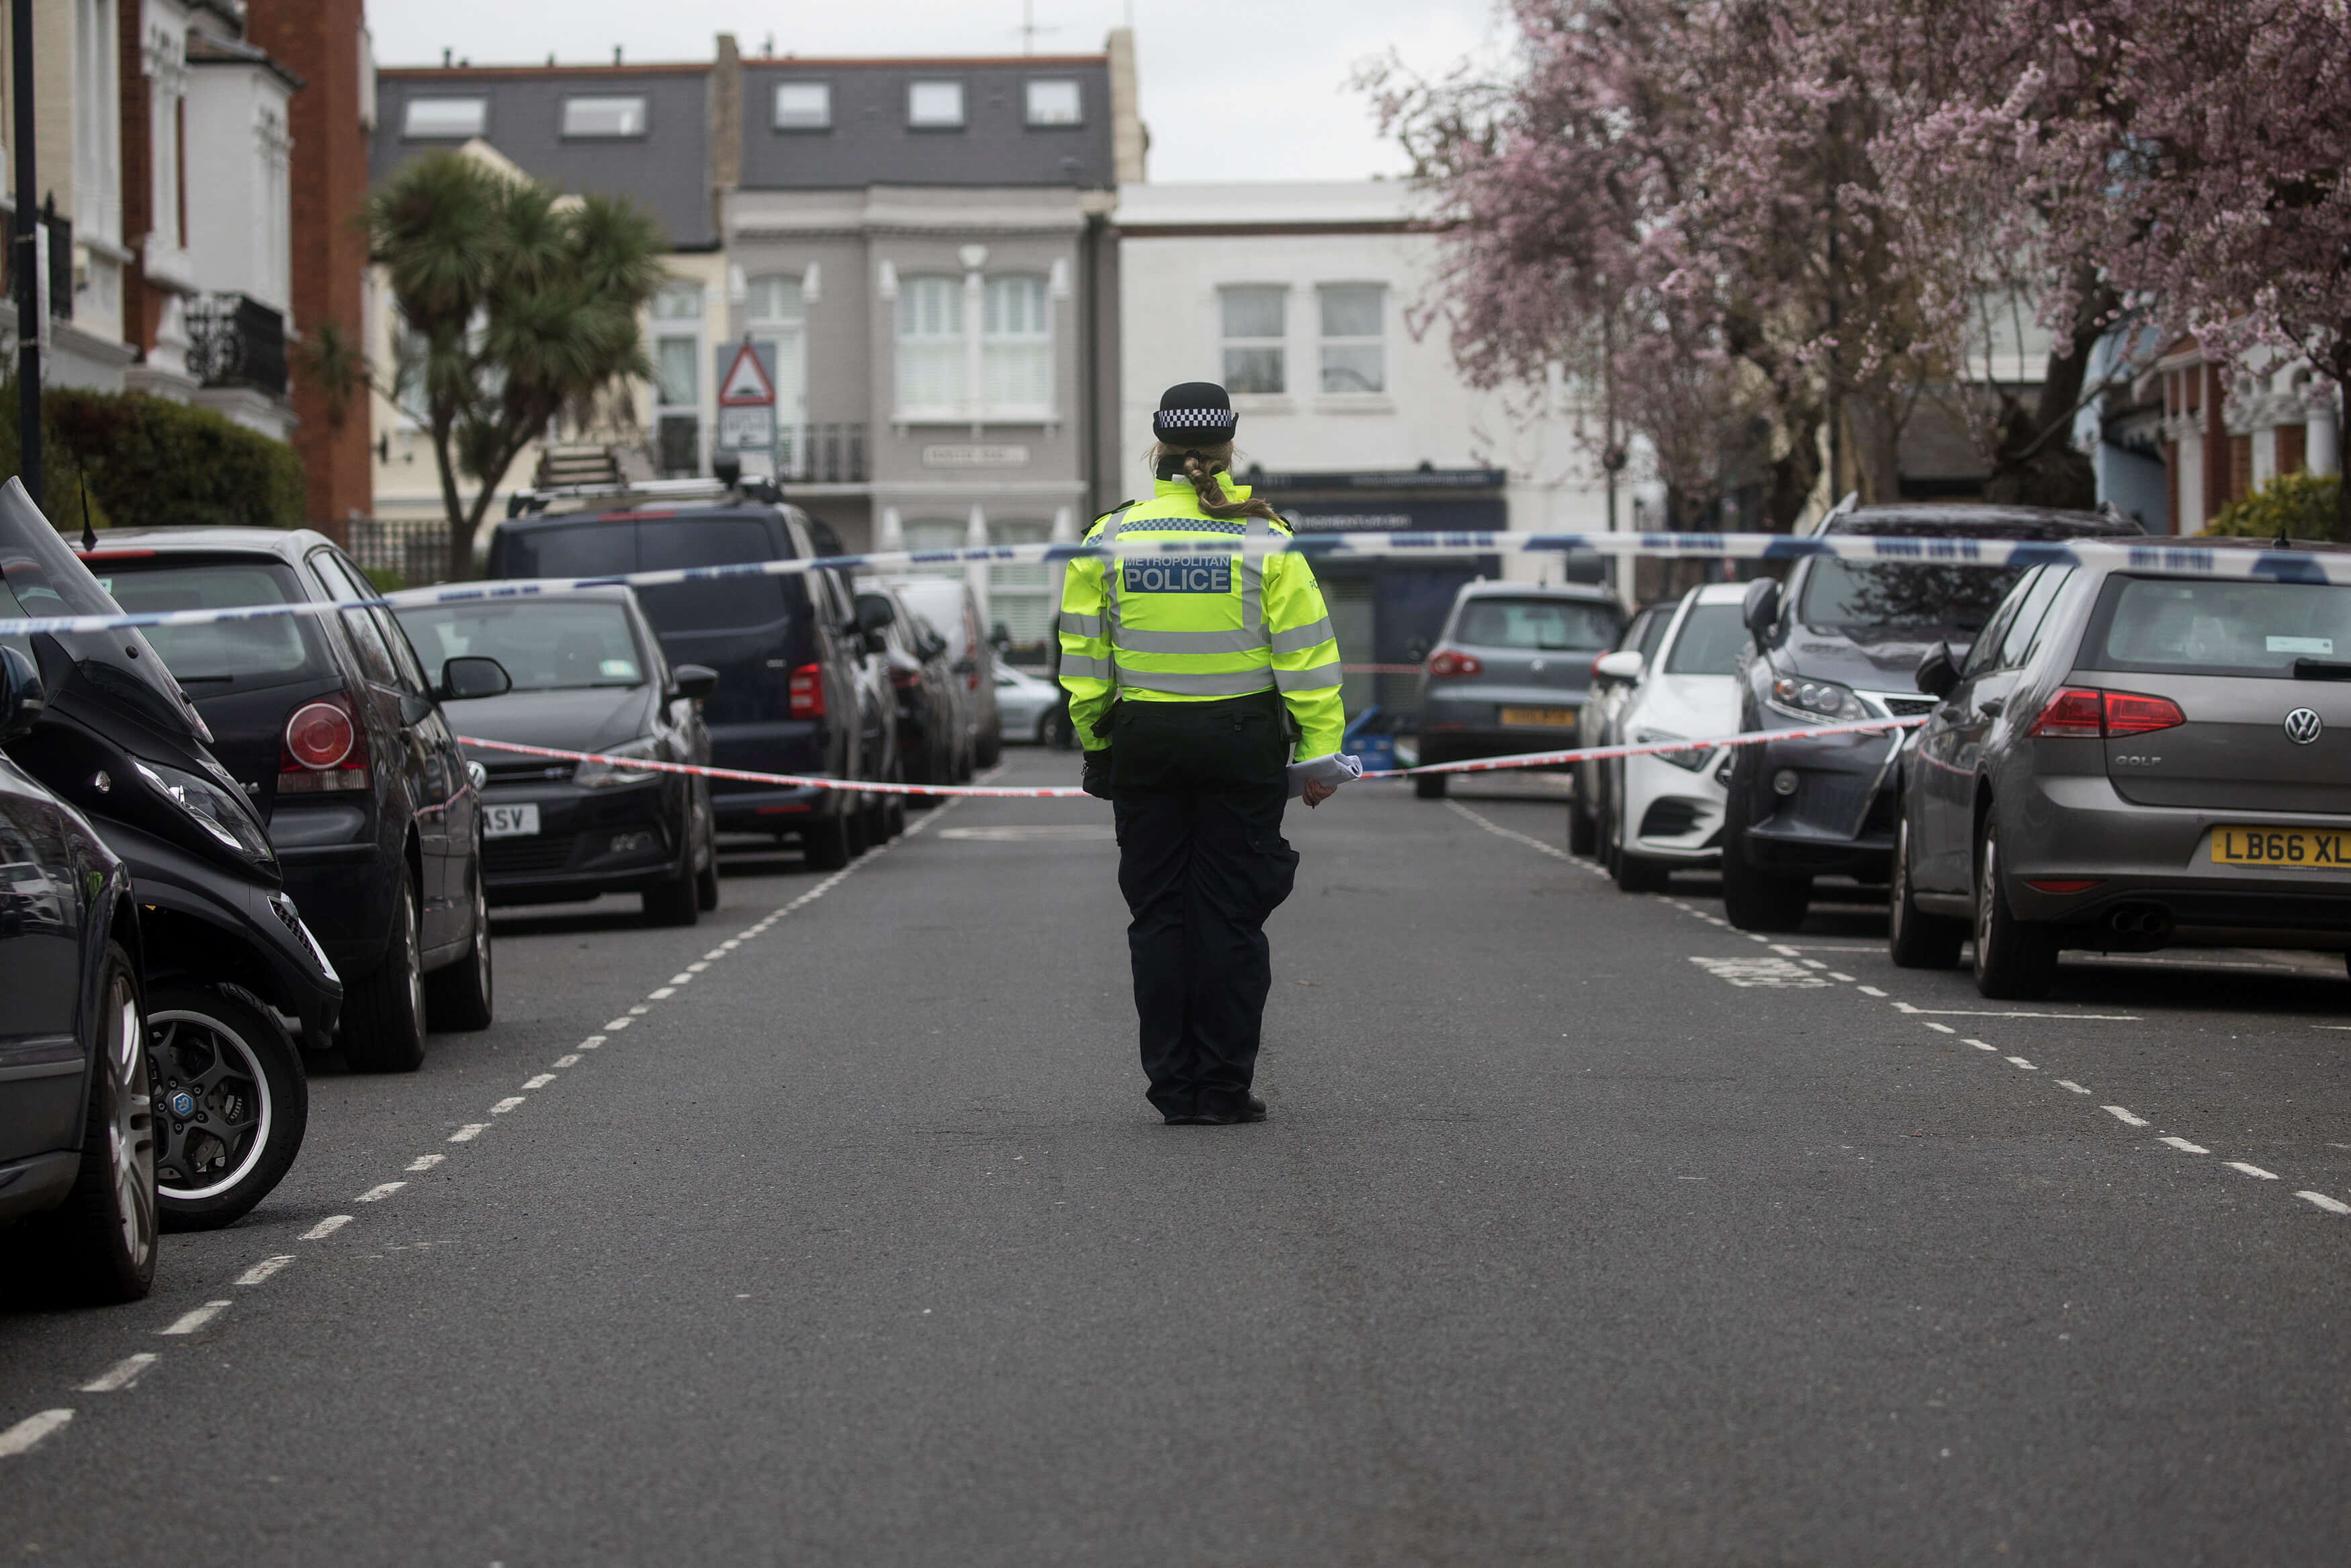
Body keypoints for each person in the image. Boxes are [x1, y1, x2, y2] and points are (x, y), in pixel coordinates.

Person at [1057, 382, 1347, 1125]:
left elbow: (1083, 663)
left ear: (1154, 450)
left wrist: (1097, 748)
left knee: (1158, 919)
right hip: (1241, 746)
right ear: (1228, 451)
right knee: (1230, 919)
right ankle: (1221, 1086)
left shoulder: (1109, 538)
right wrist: (1319, 758)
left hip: (1146, 746)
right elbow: (1307, 658)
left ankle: (1172, 1089)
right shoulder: (1265, 538)